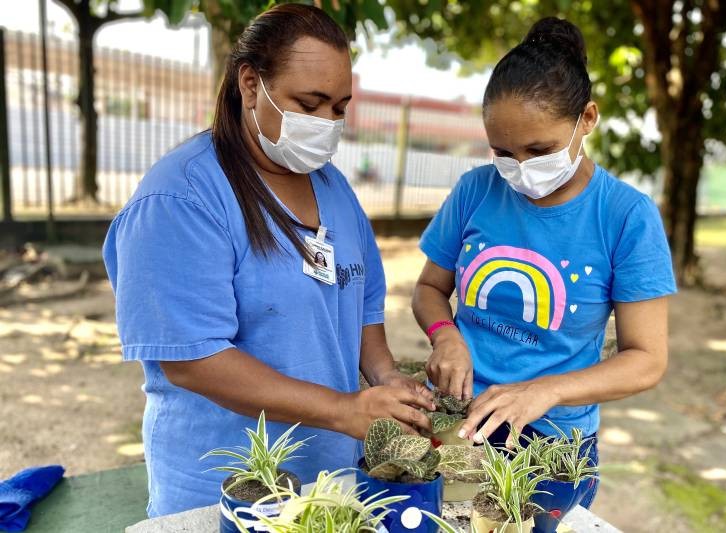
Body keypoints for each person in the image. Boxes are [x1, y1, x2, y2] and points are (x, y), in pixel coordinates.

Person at [103, 4, 433, 517]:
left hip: (329, 480)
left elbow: (361, 302)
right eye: (309, 103)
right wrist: (343, 409)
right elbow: (192, 360)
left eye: (339, 108)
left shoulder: (335, 190)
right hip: (225, 490)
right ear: (251, 84)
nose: (326, 123)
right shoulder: (181, 198)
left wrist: (386, 376)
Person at [412, 17, 676, 508]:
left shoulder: (625, 216)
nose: (520, 170)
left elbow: (646, 360)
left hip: (550, 442)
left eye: (539, 150)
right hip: (455, 419)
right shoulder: (475, 190)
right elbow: (429, 289)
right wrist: (445, 336)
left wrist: (544, 391)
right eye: (502, 152)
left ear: (587, 119)